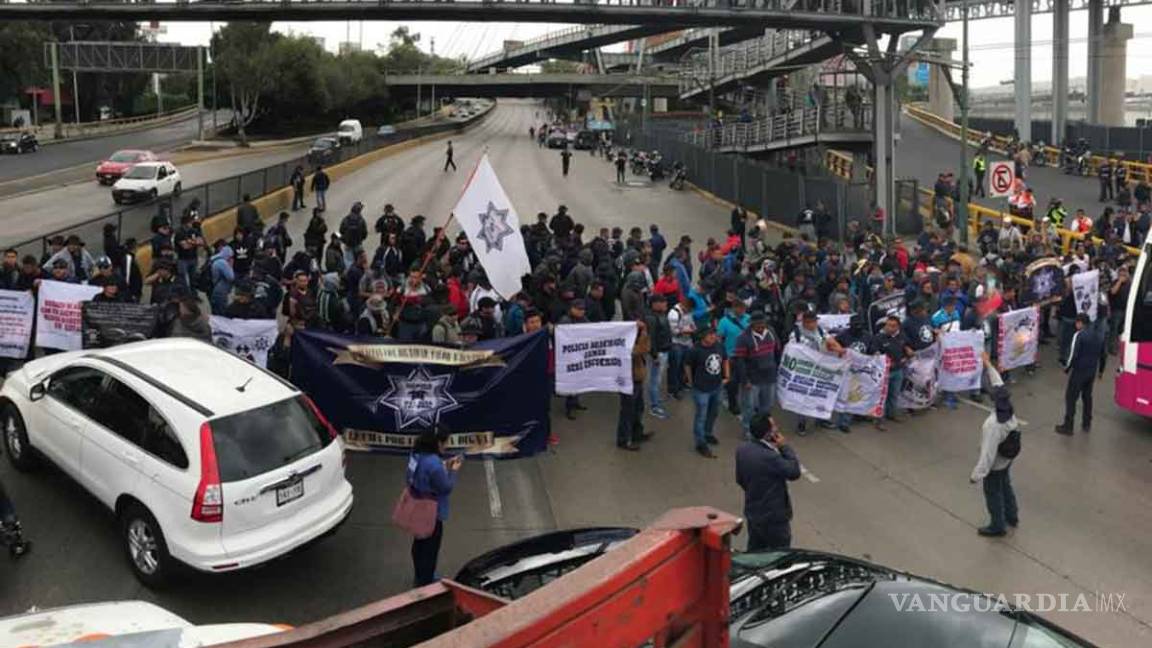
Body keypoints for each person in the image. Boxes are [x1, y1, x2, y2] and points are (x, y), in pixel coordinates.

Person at [970, 355, 1020, 537]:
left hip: (996, 463)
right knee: (1006, 485)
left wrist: (977, 474)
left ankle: (997, 525)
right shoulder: (1008, 409)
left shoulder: (993, 425)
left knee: (993, 492)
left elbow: (988, 454)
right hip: (1008, 458)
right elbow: (998, 383)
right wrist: (988, 365)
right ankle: (1012, 515)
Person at [736, 414, 801, 551]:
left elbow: (740, 479)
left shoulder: (742, 449)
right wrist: (784, 447)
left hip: (753, 512)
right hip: (774, 518)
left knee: (755, 550)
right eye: (774, 426)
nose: (777, 428)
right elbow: (794, 472)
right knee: (780, 554)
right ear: (768, 433)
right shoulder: (770, 457)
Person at [406, 428, 461, 586]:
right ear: (437, 443)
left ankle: (419, 574)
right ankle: (426, 581)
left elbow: (412, 475)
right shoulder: (434, 465)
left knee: (419, 543)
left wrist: (443, 465)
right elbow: (446, 487)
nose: (446, 447)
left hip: (416, 505)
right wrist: (453, 471)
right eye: (445, 443)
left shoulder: (416, 455)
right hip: (432, 512)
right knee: (430, 549)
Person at [732, 311, 779, 439]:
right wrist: (744, 380)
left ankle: (763, 430)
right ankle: (748, 431)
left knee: (767, 407)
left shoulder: (771, 333)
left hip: (770, 377)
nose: (761, 327)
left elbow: (776, 351)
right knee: (749, 407)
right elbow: (739, 361)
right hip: (752, 379)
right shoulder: (743, 338)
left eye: (763, 324)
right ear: (752, 324)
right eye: (758, 325)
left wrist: (777, 370)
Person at [1055, 313, 1103, 435]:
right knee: (1087, 397)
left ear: (1080, 323)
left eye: (1077, 322)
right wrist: (1101, 370)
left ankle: (1068, 426)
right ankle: (1086, 423)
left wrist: (1067, 368)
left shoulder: (1079, 335)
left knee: (1071, 398)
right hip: (1091, 371)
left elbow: (1073, 354)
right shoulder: (1098, 335)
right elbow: (1104, 353)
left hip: (1079, 371)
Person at [685, 327, 729, 458]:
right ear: (703, 337)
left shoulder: (719, 346)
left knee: (714, 412)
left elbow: (725, 360)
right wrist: (691, 381)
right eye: (710, 335)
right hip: (701, 389)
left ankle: (708, 433)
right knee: (701, 416)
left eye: (714, 335)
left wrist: (727, 375)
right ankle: (701, 443)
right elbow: (687, 365)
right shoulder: (695, 350)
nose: (713, 337)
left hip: (717, 386)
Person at [618, 318, 652, 451]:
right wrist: (644, 332)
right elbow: (641, 350)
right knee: (627, 412)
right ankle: (623, 440)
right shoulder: (624, 346)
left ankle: (637, 433)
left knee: (638, 409)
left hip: (637, 380)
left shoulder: (635, 341)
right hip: (628, 382)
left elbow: (645, 347)